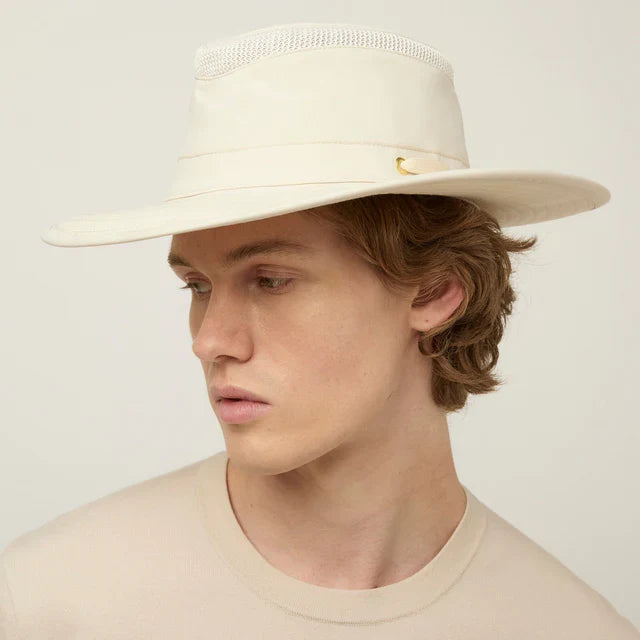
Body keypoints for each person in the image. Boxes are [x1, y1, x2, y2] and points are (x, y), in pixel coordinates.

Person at [2, 22, 638, 638]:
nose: (209, 341)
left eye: (271, 280)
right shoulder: (47, 603)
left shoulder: (570, 628)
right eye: (197, 286)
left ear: (435, 290)